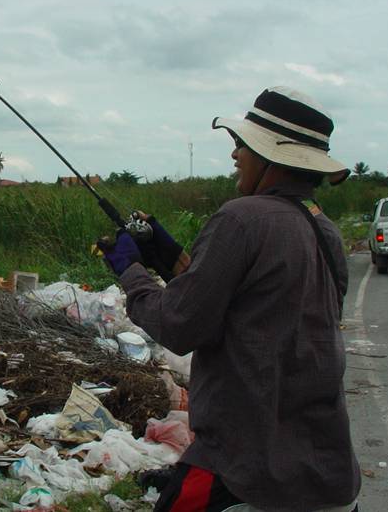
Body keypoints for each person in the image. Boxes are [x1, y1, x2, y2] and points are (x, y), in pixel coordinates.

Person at [100, 87, 361, 511]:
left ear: (271, 157)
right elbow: (240, 304)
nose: (235, 154)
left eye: (243, 144)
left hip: (247, 470)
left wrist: (131, 272)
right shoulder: (323, 229)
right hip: (325, 473)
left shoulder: (241, 219)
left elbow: (180, 325)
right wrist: (168, 256)